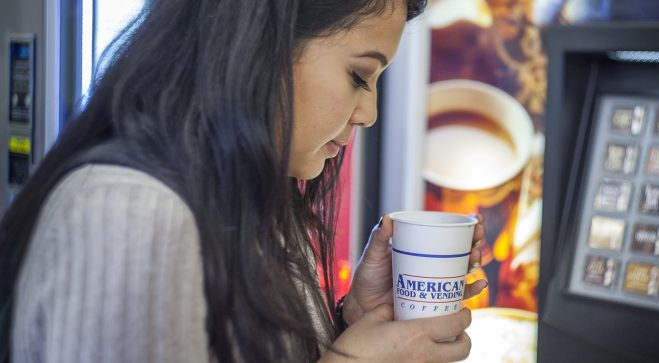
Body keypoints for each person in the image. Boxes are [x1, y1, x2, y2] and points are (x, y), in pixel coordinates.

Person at [0, 0, 489, 362]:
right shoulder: (129, 211)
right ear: (262, 46)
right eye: (360, 76)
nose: (369, 113)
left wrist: (352, 322)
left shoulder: (254, 203)